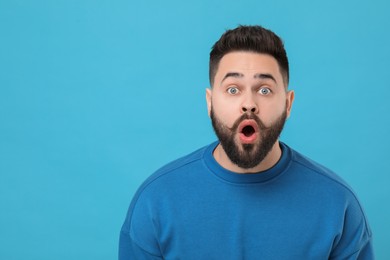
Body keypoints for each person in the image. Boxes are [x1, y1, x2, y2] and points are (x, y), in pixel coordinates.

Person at [119, 25, 374, 259]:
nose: (249, 104)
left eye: (264, 89)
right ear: (210, 102)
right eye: (233, 89)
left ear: (287, 103)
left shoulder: (338, 205)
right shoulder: (156, 201)